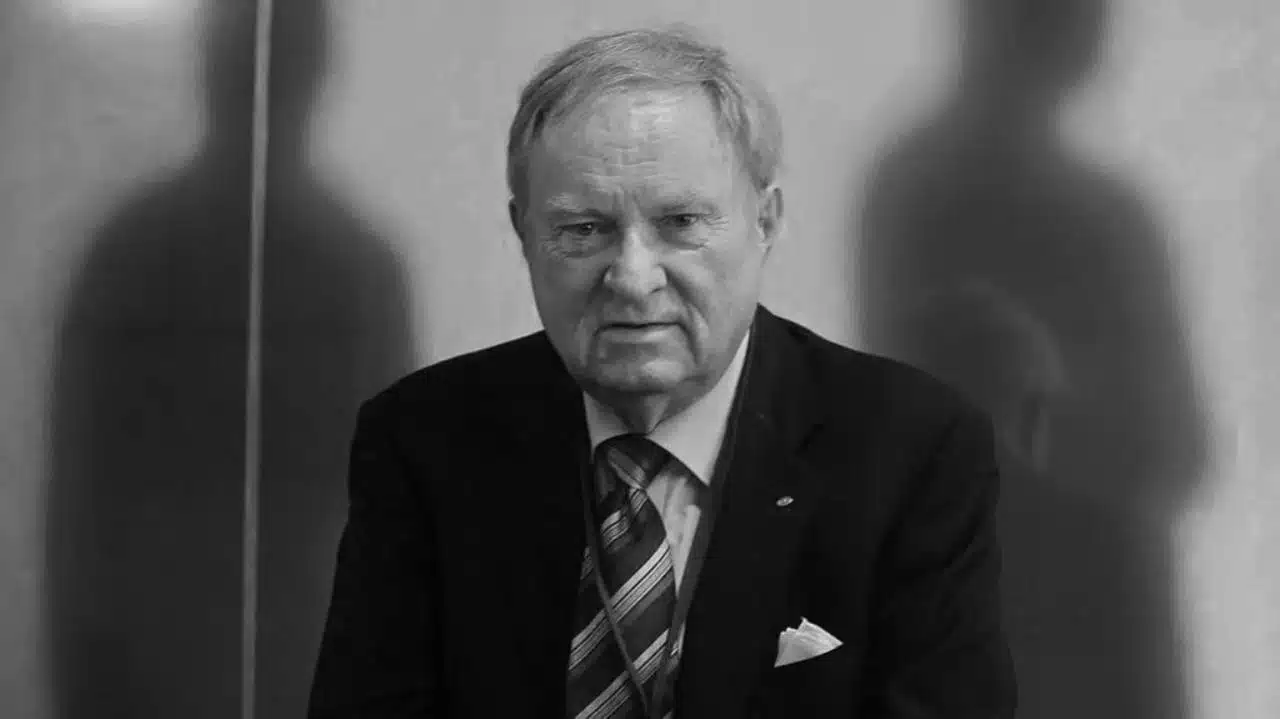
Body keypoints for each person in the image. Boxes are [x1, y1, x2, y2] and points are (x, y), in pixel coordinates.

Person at [308, 25, 1015, 719]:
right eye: (583, 229)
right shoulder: (424, 441)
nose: (633, 277)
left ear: (766, 222)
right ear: (524, 234)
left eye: (680, 222)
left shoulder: (910, 449)